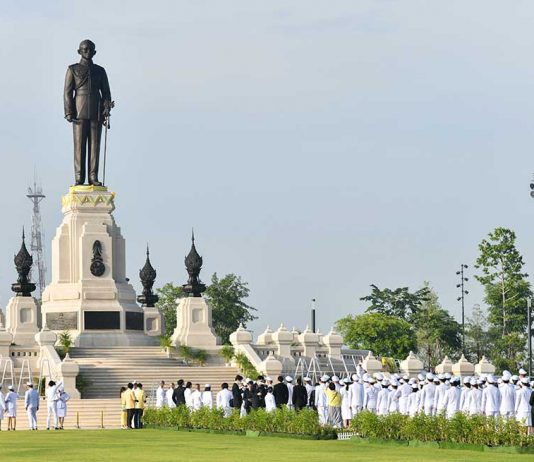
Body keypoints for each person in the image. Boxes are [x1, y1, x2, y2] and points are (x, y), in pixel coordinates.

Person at [63, 39, 112, 186]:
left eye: (90, 49)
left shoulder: (100, 71)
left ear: (94, 52)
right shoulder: (72, 69)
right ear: (79, 51)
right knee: (79, 146)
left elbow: (106, 92)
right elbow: (67, 92)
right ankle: (79, 177)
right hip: (79, 112)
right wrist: (69, 112)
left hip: (96, 112)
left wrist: (106, 105)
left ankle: (93, 177)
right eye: (85, 49)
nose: (88, 52)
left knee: (95, 146)